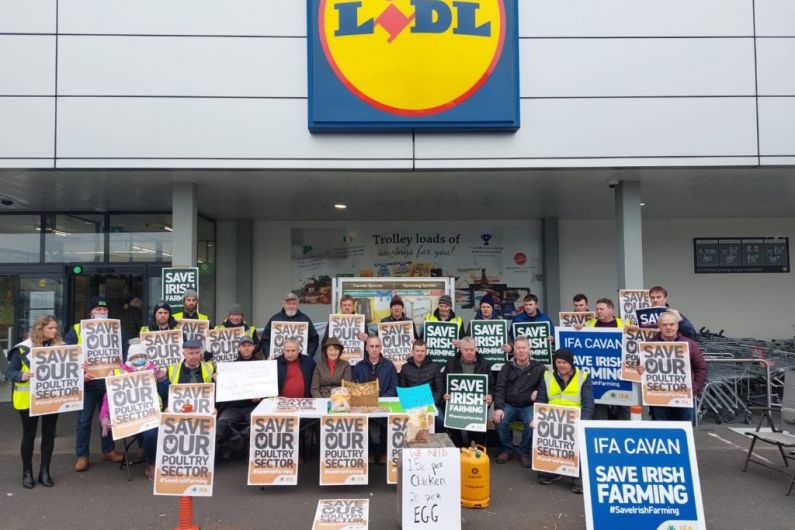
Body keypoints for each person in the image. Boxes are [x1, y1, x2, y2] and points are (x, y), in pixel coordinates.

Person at [64, 296, 128, 472]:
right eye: (98, 309)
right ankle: (82, 456)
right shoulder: (77, 330)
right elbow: (68, 355)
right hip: (88, 383)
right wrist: (80, 373)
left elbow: (125, 351)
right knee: (83, 421)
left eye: (104, 309)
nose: (102, 312)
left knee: (107, 419)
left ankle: (108, 450)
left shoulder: (116, 329)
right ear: (90, 313)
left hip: (108, 381)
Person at [6, 315, 64, 488]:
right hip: (29, 400)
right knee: (29, 435)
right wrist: (20, 376)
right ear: (40, 328)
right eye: (50, 328)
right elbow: (10, 372)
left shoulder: (60, 347)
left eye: (55, 328)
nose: (54, 331)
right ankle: (27, 472)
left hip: (52, 398)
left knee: (49, 434)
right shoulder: (23, 349)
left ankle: (44, 472)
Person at [99, 344, 166, 480]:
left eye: (142, 356)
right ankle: (146, 451)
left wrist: (163, 380)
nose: (139, 359)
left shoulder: (154, 370)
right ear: (129, 358)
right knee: (148, 432)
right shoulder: (118, 373)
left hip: (150, 414)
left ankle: (151, 463)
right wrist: (104, 416)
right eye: (136, 357)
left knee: (151, 431)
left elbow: (165, 394)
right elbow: (108, 398)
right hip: (129, 417)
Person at [538, 348, 594, 493]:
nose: (561, 365)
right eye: (558, 362)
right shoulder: (547, 376)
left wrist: (583, 422)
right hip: (551, 419)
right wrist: (537, 418)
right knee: (547, 440)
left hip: (574, 419)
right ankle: (551, 472)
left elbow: (588, 403)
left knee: (578, 444)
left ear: (571, 363)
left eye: (564, 362)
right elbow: (541, 399)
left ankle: (578, 478)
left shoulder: (583, 377)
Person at [493, 336, 547, 467]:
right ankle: (507, 449)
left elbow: (546, 389)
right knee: (499, 420)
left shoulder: (540, 368)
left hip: (528, 406)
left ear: (530, 350)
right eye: (518, 348)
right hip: (509, 405)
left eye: (524, 347)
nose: (521, 350)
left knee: (532, 424)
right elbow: (499, 388)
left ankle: (524, 451)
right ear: (514, 350)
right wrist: (498, 407)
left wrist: (539, 392)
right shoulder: (506, 367)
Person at [644, 311, 708, 422]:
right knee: (662, 433)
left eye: (671, 324)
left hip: (684, 398)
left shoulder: (690, 344)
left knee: (684, 431)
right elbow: (641, 366)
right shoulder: (649, 345)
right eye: (664, 325)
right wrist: (641, 370)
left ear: (677, 326)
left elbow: (701, 369)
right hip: (659, 398)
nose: (668, 327)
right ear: (659, 326)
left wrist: (694, 389)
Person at [580, 298, 628, 421]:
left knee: (623, 410)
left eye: (602, 309)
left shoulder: (625, 324)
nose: (598, 311)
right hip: (599, 375)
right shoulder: (589, 325)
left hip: (620, 375)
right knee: (599, 409)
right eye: (597, 309)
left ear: (611, 310)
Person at [352, 335, 398, 464]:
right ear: (366, 348)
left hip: (383, 402)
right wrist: (364, 399)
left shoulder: (389, 366)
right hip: (364, 404)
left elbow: (394, 387)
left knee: (387, 420)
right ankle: (370, 451)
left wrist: (381, 399)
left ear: (381, 347)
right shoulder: (358, 366)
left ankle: (384, 451)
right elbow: (354, 386)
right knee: (359, 420)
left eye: (377, 346)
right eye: (371, 346)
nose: (374, 349)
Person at [443, 336, 494, 448]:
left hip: (478, 405)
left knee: (479, 428)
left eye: (472, 349)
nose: (469, 352)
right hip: (456, 404)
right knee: (453, 424)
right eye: (466, 349)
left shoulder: (484, 364)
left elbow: (491, 385)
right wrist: (445, 394)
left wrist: (490, 396)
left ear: (475, 349)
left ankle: (478, 450)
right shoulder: (450, 363)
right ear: (460, 350)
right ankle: (459, 449)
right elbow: (444, 383)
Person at [216, 336, 262, 459]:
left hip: (253, 406)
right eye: (243, 346)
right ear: (239, 348)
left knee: (260, 424)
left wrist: (261, 397)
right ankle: (238, 440)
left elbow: (266, 390)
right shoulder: (229, 367)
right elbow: (223, 389)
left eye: (249, 346)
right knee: (220, 425)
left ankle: (240, 444)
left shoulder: (262, 366)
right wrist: (216, 380)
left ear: (253, 347)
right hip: (233, 408)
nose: (246, 348)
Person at [398, 339, 445, 432]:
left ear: (426, 352)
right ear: (412, 352)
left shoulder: (434, 367)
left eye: (422, 351)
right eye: (417, 351)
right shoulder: (405, 368)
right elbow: (402, 389)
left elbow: (440, 389)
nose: (420, 353)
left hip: (430, 404)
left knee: (440, 419)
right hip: (411, 405)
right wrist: (410, 405)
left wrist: (432, 404)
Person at [261, 292, 320, 360]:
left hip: (300, 361)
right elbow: (265, 339)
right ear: (283, 304)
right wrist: (268, 355)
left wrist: (309, 355)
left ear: (298, 304)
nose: (291, 306)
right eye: (288, 304)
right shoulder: (275, 319)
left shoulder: (305, 319)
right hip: (279, 361)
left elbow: (314, 339)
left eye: (294, 304)